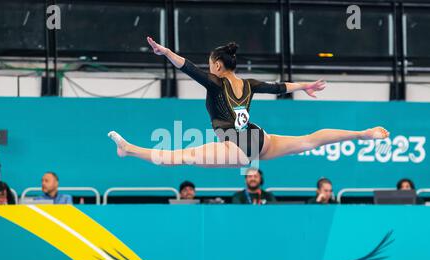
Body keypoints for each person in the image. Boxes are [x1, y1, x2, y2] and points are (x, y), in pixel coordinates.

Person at [108, 37, 390, 167]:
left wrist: (166, 52)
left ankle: (129, 149)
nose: (208, 69)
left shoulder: (215, 83)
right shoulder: (248, 84)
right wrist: (305, 85)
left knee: (181, 157)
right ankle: (363, 133)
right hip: (258, 136)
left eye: (211, 65)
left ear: (218, 66)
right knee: (309, 140)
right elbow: (280, 87)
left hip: (237, 147)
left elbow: (187, 67)